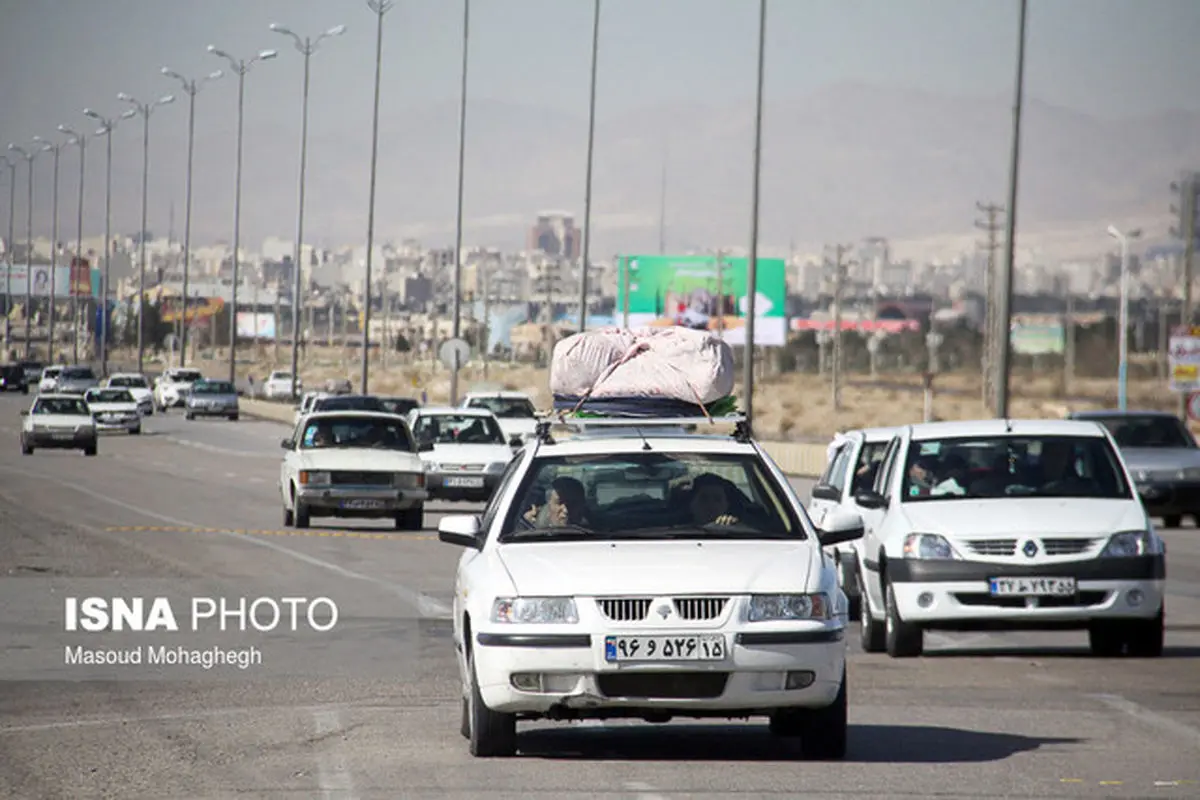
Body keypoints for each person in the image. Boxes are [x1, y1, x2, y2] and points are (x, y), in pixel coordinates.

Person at [523, 477, 588, 527]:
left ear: (582, 505)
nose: (566, 510)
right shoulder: (531, 530)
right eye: (559, 503)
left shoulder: (594, 535)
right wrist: (527, 524)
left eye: (572, 503)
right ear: (549, 505)